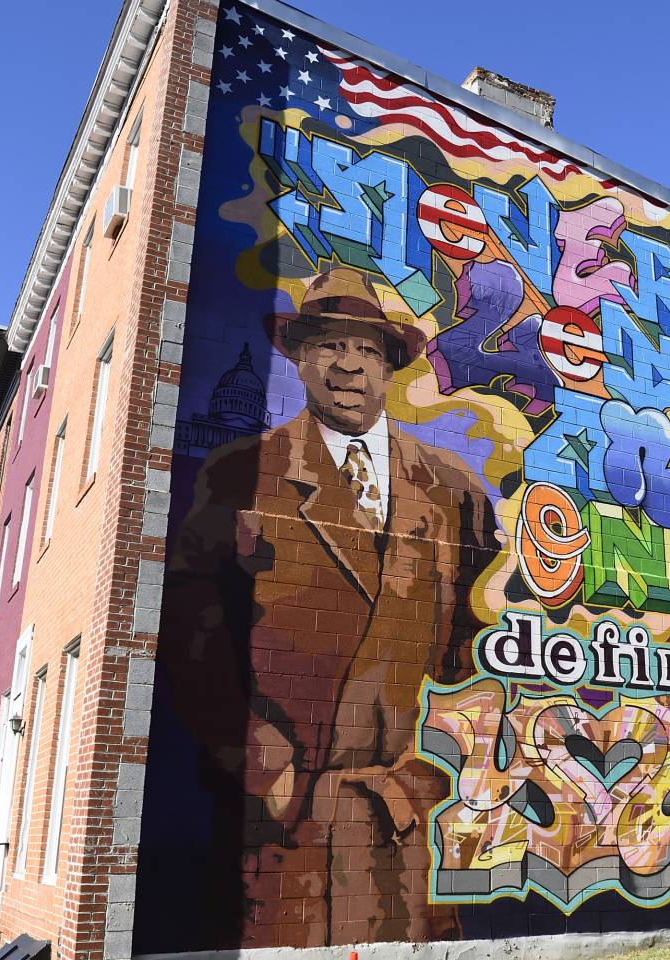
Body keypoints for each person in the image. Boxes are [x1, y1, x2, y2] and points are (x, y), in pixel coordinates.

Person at [159, 266, 499, 949]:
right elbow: (193, 635)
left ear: (391, 367)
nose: (350, 365)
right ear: (301, 359)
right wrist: (266, 771)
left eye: (369, 350)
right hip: (282, 826)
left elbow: (472, 632)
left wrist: (440, 762)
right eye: (330, 346)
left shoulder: (450, 486)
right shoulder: (241, 471)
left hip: (406, 816)